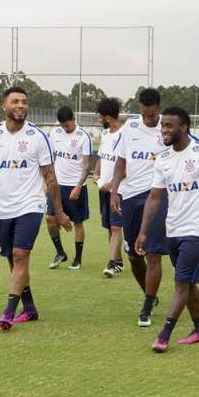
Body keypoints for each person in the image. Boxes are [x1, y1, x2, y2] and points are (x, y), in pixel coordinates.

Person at [0, 87, 72, 330]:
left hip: (30, 205)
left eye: (24, 102)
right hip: (2, 209)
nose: (21, 105)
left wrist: (58, 211)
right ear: (4, 106)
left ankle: (8, 311)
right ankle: (30, 307)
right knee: (12, 260)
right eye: (15, 101)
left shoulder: (37, 137)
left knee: (20, 255)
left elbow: (51, 177)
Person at [137, 107, 199, 353]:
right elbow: (155, 197)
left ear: (184, 127)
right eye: (163, 126)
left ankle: (164, 335)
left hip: (197, 229)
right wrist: (143, 231)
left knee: (181, 282)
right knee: (188, 283)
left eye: (169, 126)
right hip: (173, 229)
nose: (164, 130)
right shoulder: (163, 158)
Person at [110, 88, 167, 327]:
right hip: (131, 196)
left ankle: (146, 306)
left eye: (153, 115)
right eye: (146, 114)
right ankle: (149, 294)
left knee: (153, 252)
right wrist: (114, 191)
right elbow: (121, 161)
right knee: (133, 255)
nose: (150, 119)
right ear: (140, 110)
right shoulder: (130, 129)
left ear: (159, 109)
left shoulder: (169, 126)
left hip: (158, 195)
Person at [45, 106, 92, 270]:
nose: (65, 128)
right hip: (56, 185)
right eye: (62, 125)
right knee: (50, 218)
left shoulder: (83, 137)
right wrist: (47, 182)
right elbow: (51, 159)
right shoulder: (55, 133)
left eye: (67, 125)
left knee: (77, 223)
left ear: (74, 119)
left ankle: (77, 259)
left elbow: (86, 166)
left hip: (75, 186)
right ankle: (60, 253)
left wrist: (79, 186)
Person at [93, 97, 125, 277]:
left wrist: (113, 184)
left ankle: (112, 263)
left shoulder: (125, 134)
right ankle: (118, 260)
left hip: (118, 190)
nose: (99, 119)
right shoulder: (105, 134)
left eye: (100, 116)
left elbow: (128, 164)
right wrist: (96, 173)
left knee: (115, 227)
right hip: (102, 188)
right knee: (109, 227)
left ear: (107, 116)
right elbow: (102, 157)